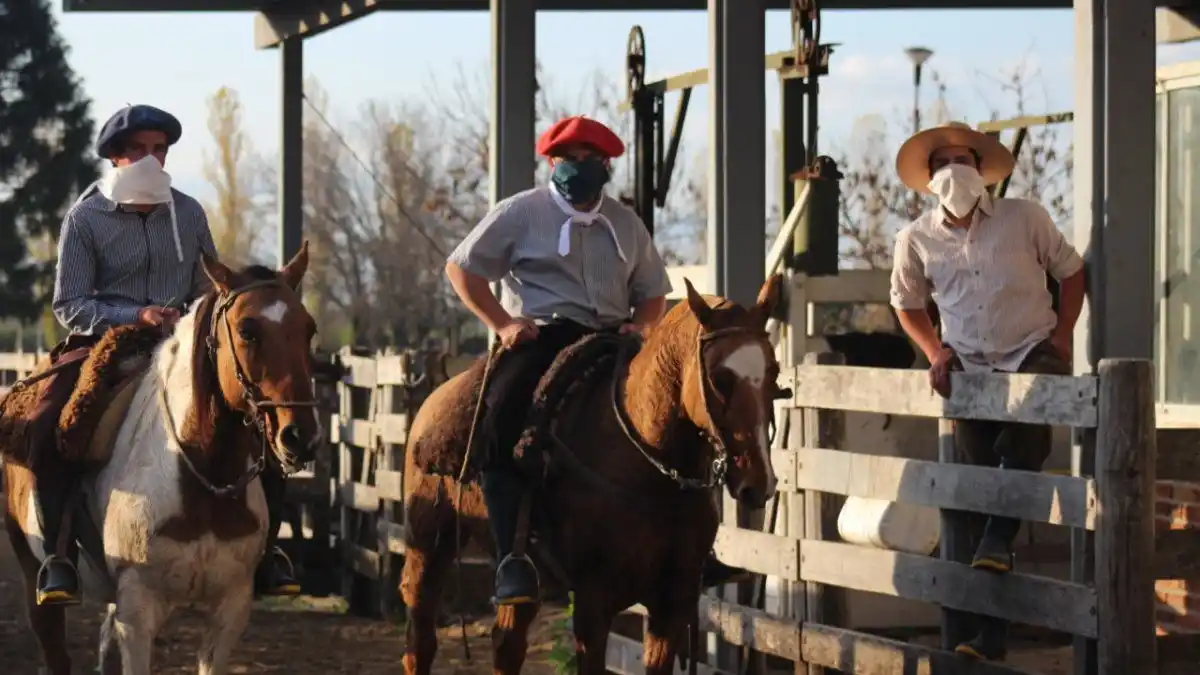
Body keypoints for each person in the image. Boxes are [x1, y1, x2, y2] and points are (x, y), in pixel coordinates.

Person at [30, 104, 297, 606]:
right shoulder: (84, 218)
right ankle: (58, 556)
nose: (150, 159)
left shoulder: (189, 211)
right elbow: (70, 303)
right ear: (115, 157)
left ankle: (269, 549)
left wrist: (198, 317)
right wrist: (134, 317)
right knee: (51, 420)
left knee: (263, 418)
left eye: (158, 149)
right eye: (138, 150)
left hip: (189, 347)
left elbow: (209, 286)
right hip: (106, 346)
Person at [445, 115, 678, 605]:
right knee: (503, 416)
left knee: (672, 418)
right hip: (540, 337)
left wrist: (643, 325)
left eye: (589, 160)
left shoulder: (625, 223)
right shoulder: (520, 213)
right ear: (551, 161)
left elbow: (653, 291)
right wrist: (503, 325)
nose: (578, 167)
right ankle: (512, 558)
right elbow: (462, 269)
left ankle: (685, 546)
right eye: (568, 159)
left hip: (614, 340)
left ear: (606, 166)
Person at [888, 121, 1086, 661]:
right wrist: (934, 353)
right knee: (980, 490)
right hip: (969, 364)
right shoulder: (914, 239)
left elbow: (1071, 272)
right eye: (944, 163)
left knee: (1024, 439)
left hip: (1033, 346)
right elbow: (906, 304)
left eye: (965, 160)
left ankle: (1000, 538)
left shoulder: (1025, 218)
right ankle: (990, 634)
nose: (957, 170)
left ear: (982, 171)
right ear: (930, 180)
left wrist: (1065, 333)